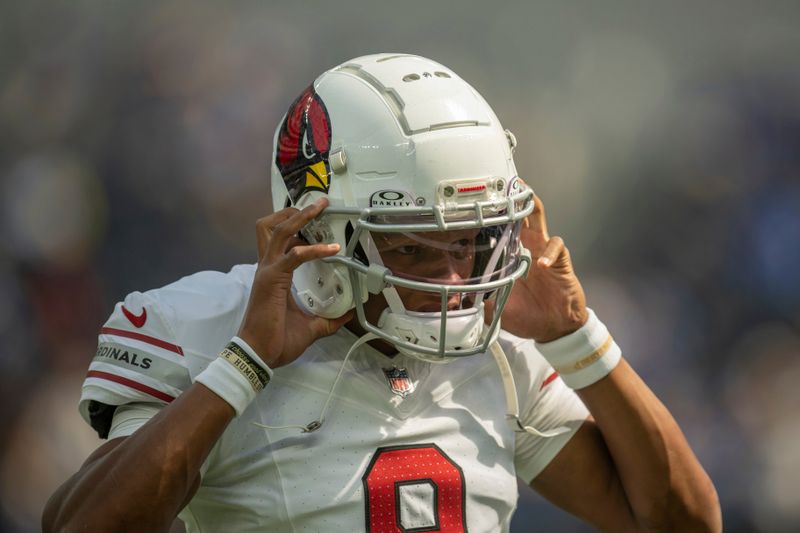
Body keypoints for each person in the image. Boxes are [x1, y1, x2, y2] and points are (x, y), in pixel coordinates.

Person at [43, 53, 721, 532]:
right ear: (316, 227)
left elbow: (682, 522)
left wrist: (577, 334)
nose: (454, 277)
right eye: (410, 246)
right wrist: (243, 365)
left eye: (468, 242)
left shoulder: (498, 347)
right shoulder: (202, 327)